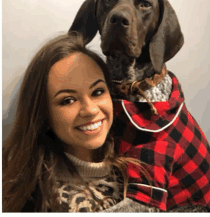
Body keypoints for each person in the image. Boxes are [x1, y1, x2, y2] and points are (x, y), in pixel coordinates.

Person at [2, 33, 150, 212]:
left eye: (97, 92)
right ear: (44, 115)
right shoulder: (43, 200)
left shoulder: (142, 163)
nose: (91, 110)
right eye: (68, 100)